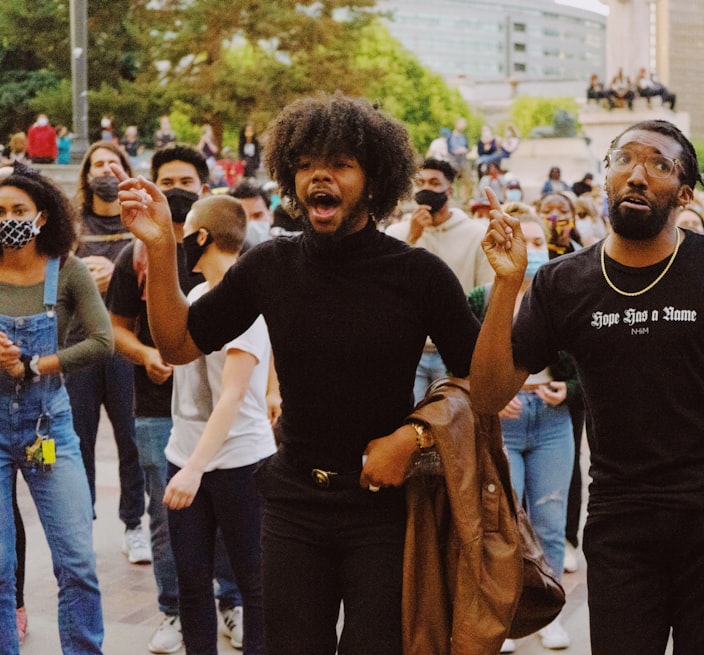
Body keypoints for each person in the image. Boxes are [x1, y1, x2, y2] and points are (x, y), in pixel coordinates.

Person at [112, 93, 481, 655]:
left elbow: (483, 379)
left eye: (339, 165)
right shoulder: (271, 264)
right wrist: (163, 248)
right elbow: (181, 343)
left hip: (380, 506)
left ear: (375, 179)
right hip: (291, 507)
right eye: (306, 165)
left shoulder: (419, 275)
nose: (318, 178)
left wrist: (413, 436)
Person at [471, 119, 704, 654]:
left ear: (685, 194)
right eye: (624, 159)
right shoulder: (563, 281)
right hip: (620, 521)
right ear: (606, 176)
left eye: (660, 165)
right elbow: (486, 396)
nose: (638, 175)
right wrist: (507, 286)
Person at [106, 145, 243, 653]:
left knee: (233, 523)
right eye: (169, 179)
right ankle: (173, 613)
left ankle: (232, 605)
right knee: (167, 522)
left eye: (187, 179)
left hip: (221, 417)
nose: (179, 187)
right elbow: (115, 329)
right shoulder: (134, 254)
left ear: (204, 188)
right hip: (157, 409)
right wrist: (146, 354)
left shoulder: (229, 259)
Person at [0, 164, 111, 654]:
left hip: (50, 427)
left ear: (41, 216)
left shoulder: (67, 270)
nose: (9, 219)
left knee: (78, 563)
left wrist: (34, 364)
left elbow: (103, 341)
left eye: (19, 210)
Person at [163, 195, 274, 655]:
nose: (180, 241)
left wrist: (195, 469)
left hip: (238, 462)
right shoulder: (199, 294)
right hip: (184, 452)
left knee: (255, 582)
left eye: (186, 231)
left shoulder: (242, 297)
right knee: (191, 582)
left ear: (202, 237)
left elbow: (230, 394)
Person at [467, 211, 576, 651]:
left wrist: (566, 389)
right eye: (522, 236)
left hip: (551, 421)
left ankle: (550, 613)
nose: (529, 246)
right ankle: (504, 615)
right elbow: (463, 359)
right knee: (502, 525)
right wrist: (493, 394)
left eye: (536, 238)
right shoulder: (481, 297)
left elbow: (589, 366)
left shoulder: (560, 295)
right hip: (502, 422)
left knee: (550, 522)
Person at [68, 141, 149, 565]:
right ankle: (81, 523)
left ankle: (135, 523)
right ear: (85, 175)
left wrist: (112, 279)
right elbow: (51, 286)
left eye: (113, 163)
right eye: (97, 164)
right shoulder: (70, 225)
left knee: (130, 440)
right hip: (79, 348)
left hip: (123, 347)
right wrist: (84, 279)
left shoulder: (137, 220)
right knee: (75, 441)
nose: (105, 170)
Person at [385, 158, 493, 402]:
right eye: (420, 183)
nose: (426, 189)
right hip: (409, 351)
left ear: (450, 190)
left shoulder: (475, 234)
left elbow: (486, 293)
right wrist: (412, 237)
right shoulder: (396, 234)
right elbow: (386, 287)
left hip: (454, 352)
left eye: (434, 183)